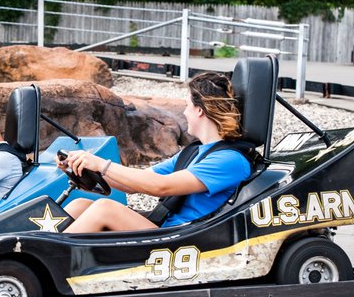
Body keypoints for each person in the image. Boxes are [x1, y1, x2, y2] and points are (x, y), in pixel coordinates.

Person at [57, 71, 252, 233]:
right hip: (165, 226)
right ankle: (33, 250)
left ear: (200, 110)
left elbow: (161, 187)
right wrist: (85, 172)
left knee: (105, 209)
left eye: (188, 106)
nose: (185, 112)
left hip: (183, 239)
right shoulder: (194, 152)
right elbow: (138, 182)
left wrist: (102, 165)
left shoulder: (230, 160)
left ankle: (41, 263)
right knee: (80, 204)